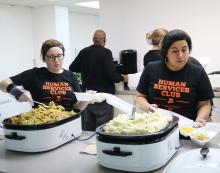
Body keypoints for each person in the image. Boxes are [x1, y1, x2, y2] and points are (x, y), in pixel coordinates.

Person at [136, 29, 214, 122]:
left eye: (184, 50)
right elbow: (140, 97)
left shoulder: (198, 72)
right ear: (166, 52)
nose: (180, 55)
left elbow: (205, 104)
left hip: (187, 129)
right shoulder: (151, 68)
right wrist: (148, 107)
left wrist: (200, 119)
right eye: (174, 51)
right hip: (156, 127)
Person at [0, 39, 85, 110]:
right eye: (51, 57)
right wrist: (16, 92)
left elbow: (77, 108)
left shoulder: (71, 76)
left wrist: (87, 99)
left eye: (59, 56)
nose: (56, 60)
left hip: (69, 123)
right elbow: (3, 83)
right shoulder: (34, 74)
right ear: (44, 58)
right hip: (42, 124)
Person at [69, 29, 128, 131]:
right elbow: (112, 76)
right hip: (103, 99)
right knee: (103, 130)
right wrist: (123, 77)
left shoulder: (84, 51)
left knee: (88, 131)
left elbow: (72, 67)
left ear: (93, 39)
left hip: (87, 99)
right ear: (104, 40)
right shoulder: (106, 53)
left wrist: (85, 68)